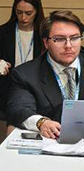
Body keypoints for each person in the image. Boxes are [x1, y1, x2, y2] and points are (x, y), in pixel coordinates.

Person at [7, 10, 84, 138]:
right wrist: (41, 122)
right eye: (59, 39)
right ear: (46, 42)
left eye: (75, 38)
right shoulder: (25, 74)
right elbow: (19, 108)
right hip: (50, 138)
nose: (68, 45)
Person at [0, 0, 44, 120]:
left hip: (37, 90)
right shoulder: (0, 34)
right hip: (7, 89)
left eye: (28, 13)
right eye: (19, 12)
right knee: (18, 109)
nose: (23, 18)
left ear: (37, 12)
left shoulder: (44, 36)